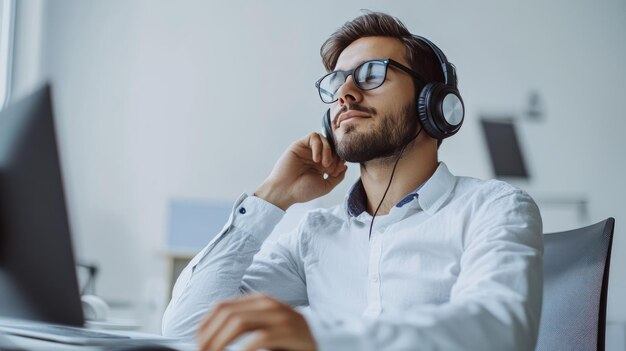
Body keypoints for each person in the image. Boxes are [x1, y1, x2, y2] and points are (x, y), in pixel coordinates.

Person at [162, 11, 543, 351]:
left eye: (372, 74)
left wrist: (321, 338)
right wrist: (273, 196)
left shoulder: (493, 207)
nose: (345, 93)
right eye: (337, 81)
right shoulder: (315, 233)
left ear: (433, 103)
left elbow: (499, 331)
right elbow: (186, 326)